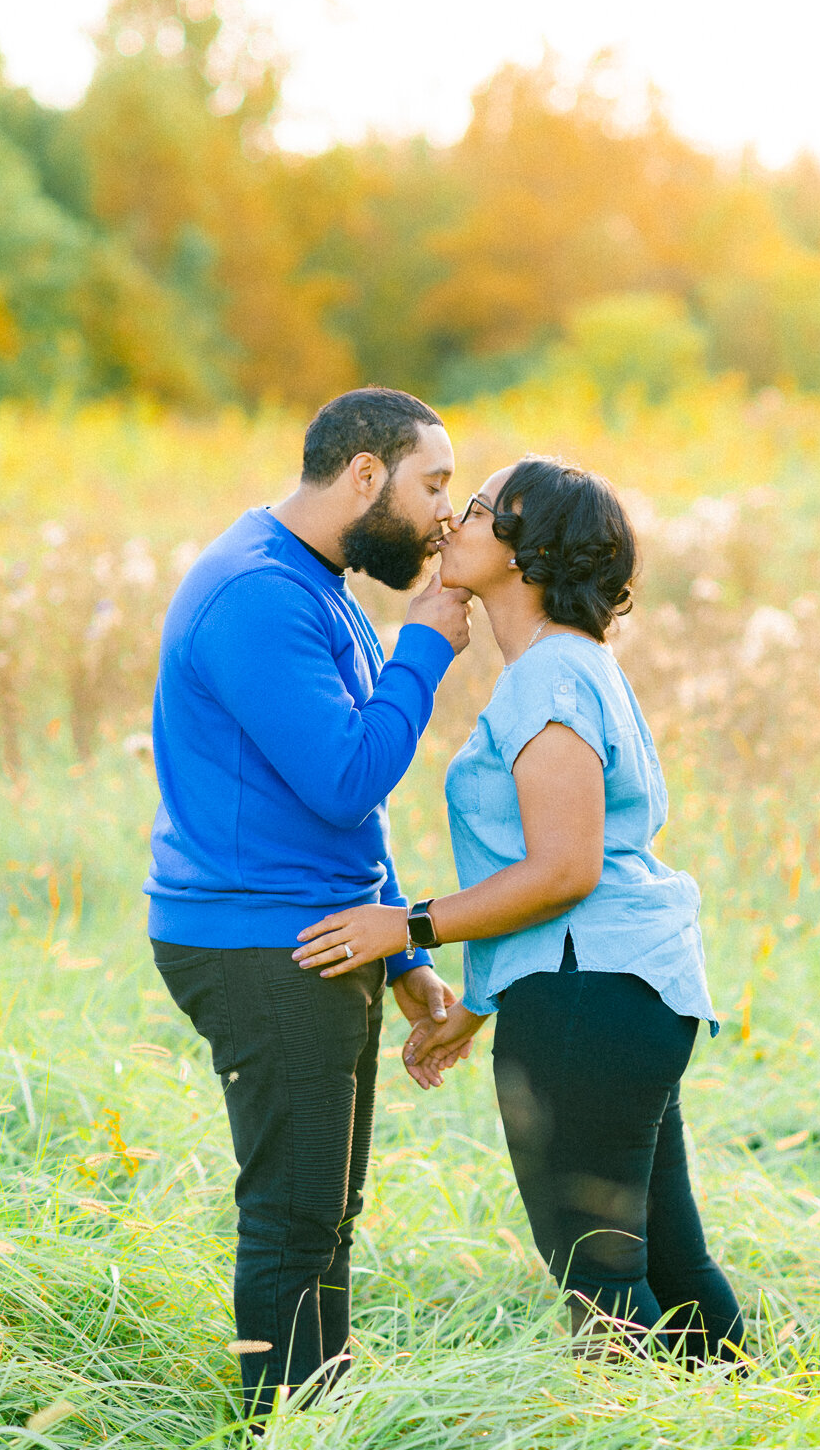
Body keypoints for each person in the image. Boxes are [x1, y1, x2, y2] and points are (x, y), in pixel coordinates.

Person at [296, 457, 745, 1365]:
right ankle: (754, 1416)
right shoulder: (564, 668)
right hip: (613, 991)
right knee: (666, 1262)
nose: (450, 524)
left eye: (476, 510)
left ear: (527, 551)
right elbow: (560, 881)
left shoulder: (549, 680)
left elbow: (566, 869)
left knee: (599, 1277)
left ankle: (644, 1428)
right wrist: (478, 1004)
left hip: (592, 997)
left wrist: (407, 924)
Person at [145, 387, 473, 1422]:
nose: (444, 517)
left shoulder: (310, 580)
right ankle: (280, 1430)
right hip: (261, 943)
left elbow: (324, 815)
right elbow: (344, 777)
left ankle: (318, 1422)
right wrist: (426, 644)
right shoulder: (257, 594)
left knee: (326, 1214)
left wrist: (405, 949)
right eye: (434, 486)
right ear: (365, 476)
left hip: (320, 930)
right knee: (293, 1218)